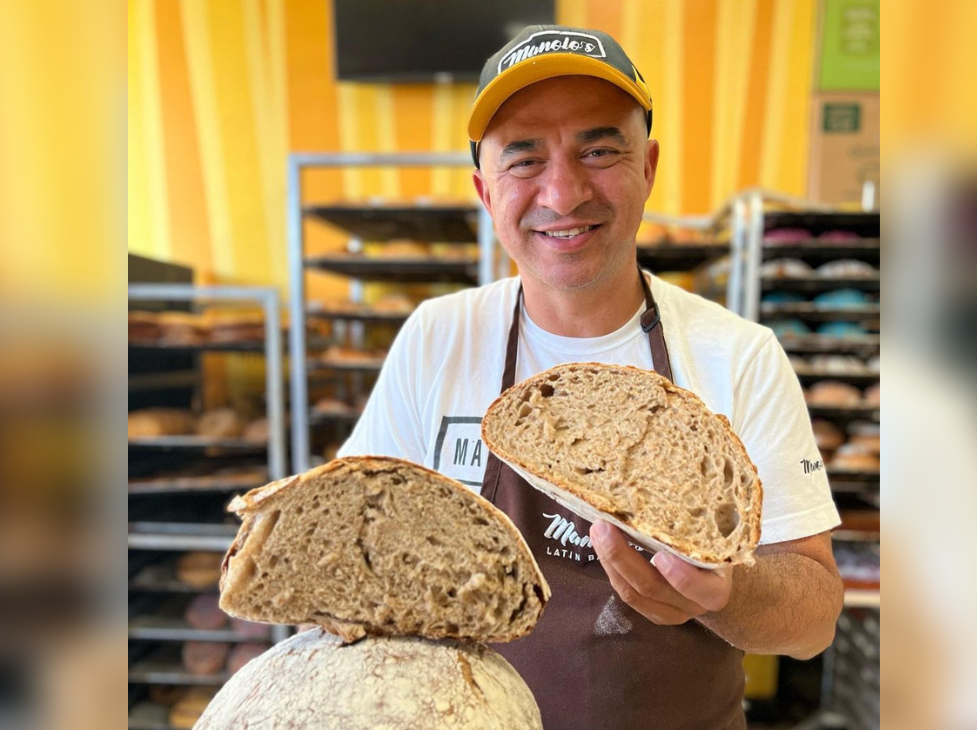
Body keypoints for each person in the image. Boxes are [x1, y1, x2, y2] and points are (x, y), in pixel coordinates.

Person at [339, 25, 843, 730]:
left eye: (600, 150)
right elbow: (362, 544)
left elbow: (813, 617)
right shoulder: (439, 338)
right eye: (524, 160)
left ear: (649, 167)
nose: (564, 192)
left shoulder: (739, 355)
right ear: (485, 193)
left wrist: (727, 593)